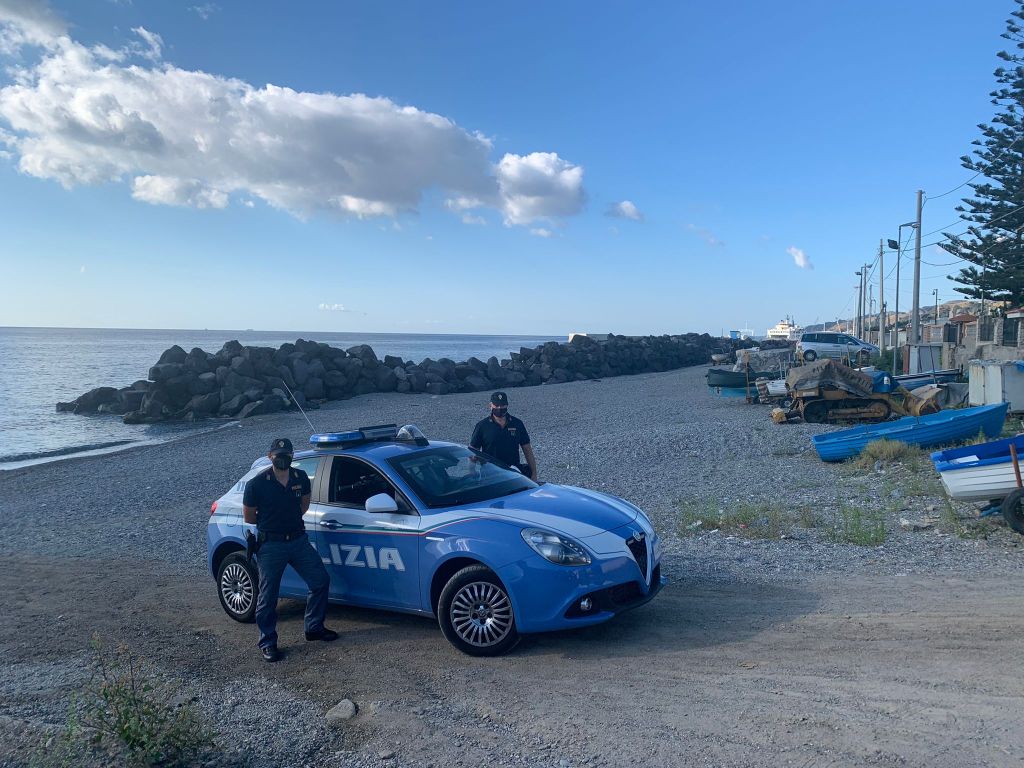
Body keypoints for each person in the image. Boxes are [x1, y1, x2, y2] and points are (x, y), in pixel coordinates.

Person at [243, 437, 337, 662]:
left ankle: (314, 627)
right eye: (278, 455)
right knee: (268, 596)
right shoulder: (257, 484)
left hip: (298, 541)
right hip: (271, 545)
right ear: (270, 456)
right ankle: (268, 642)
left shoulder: (300, 477)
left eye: (286, 455)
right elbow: (249, 517)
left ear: (292, 456)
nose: (282, 459)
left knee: (320, 581)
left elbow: (304, 506)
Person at [469, 391, 538, 480]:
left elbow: (527, 450)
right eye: (496, 405)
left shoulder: (517, 424)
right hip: (490, 473)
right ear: (490, 405)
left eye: (502, 405)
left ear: (507, 405)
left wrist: (534, 474)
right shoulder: (482, 426)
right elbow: (473, 452)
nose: (499, 408)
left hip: (513, 472)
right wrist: (472, 473)